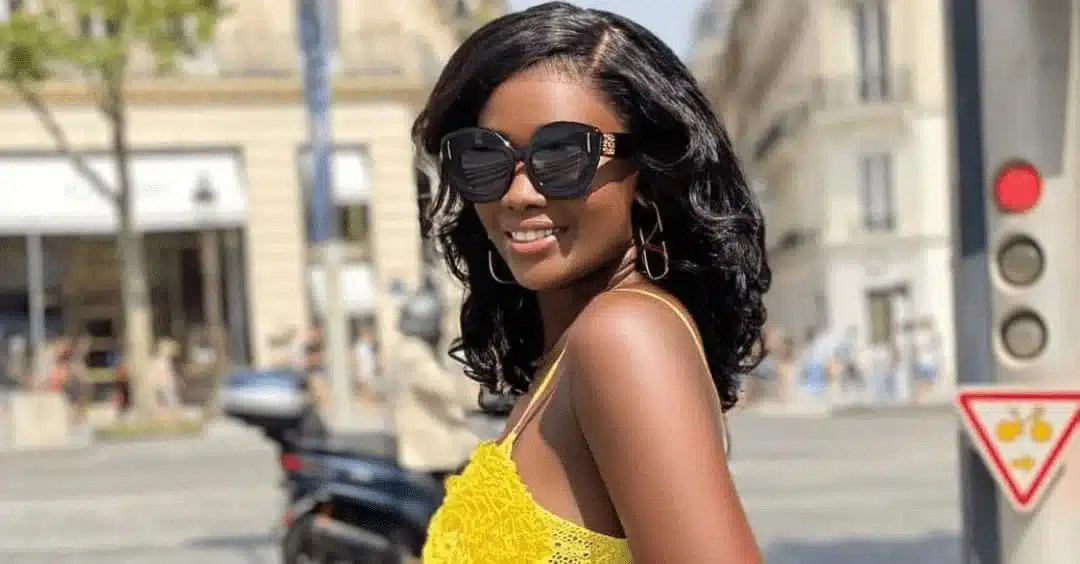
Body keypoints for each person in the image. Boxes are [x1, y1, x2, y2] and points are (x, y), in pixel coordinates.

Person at [413, 3, 768, 562]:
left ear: (648, 171)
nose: (519, 194)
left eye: (561, 155)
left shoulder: (624, 334)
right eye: (484, 157)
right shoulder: (576, 344)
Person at [389, 273, 481, 478]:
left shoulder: (411, 348)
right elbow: (444, 388)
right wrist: (480, 393)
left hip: (435, 442)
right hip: (430, 450)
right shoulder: (413, 353)